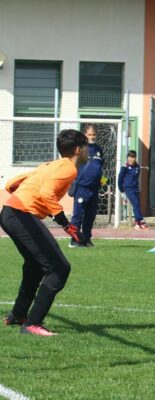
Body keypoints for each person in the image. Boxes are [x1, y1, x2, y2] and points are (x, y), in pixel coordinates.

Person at [1, 129, 88, 336]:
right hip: (20, 214)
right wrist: (66, 224)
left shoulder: (50, 164)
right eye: (86, 149)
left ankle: (18, 315)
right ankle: (33, 324)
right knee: (59, 268)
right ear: (78, 150)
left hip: (9, 212)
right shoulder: (69, 168)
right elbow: (46, 193)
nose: (88, 153)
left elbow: (11, 184)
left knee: (36, 266)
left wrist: (23, 197)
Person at [69, 124, 103, 248]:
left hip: (94, 188)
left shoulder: (99, 149)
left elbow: (100, 166)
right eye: (89, 135)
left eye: (94, 135)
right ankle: (74, 239)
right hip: (82, 187)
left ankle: (87, 239)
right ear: (85, 135)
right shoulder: (81, 149)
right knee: (78, 214)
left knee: (90, 215)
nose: (92, 137)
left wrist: (101, 179)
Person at [117, 150, 148, 230]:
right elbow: (120, 179)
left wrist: (137, 188)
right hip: (128, 189)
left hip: (135, 189)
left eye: (133, 157)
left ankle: (137, 224)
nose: (131, 159)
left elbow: (136, 178)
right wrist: (122, 190)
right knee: (136, 203)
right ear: (127, 158)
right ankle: (141, 221)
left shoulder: (137, 167)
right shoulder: (124, 167)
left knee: (136, 205)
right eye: (130, 157)